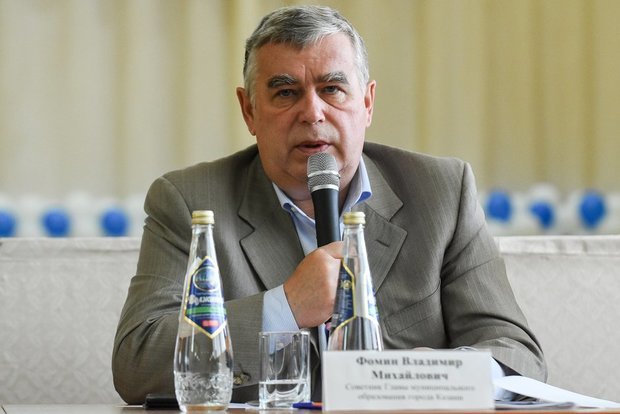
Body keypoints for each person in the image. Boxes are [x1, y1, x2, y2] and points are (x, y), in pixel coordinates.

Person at [112, 5, 546, 405]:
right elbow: (137, 363)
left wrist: (436, 375)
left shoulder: (441, 192)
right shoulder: (190, 200)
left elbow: (516, 352)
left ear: (367, 103)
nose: (312, 113)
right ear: (249, 111)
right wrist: (285, 307)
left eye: (332, 89)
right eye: (286, 93)